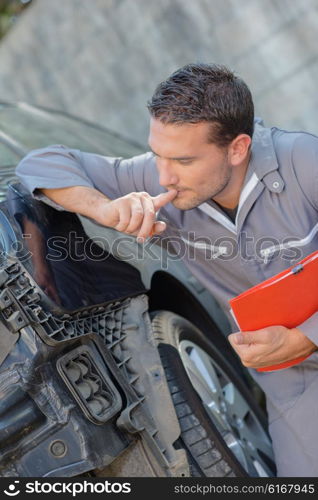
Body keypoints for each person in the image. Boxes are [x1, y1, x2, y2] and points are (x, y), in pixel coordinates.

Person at [16, 63, 318, 477]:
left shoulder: (305, 161)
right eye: (157, 155)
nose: (163, 177)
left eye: (182, 160)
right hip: (293, 385)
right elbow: (42, 162)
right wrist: (103, 207)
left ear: (237, 148)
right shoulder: (155, 180)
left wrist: (307, 337)